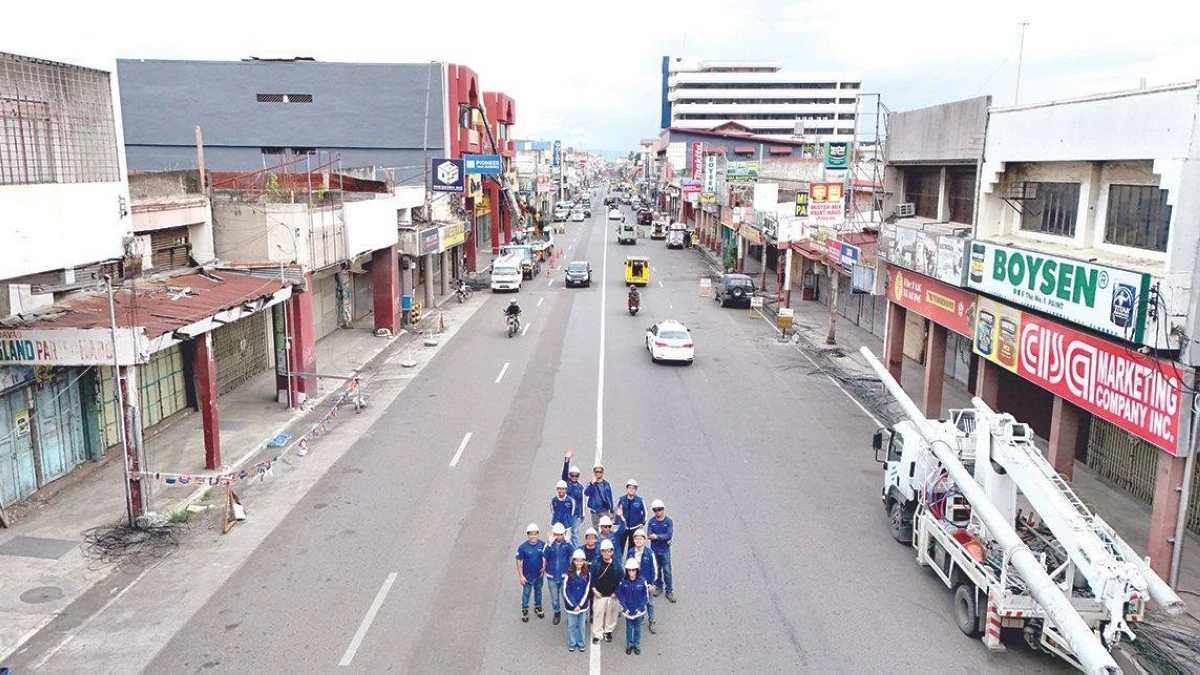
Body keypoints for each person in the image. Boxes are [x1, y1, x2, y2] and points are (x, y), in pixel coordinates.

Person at [626, 528, 659, 634]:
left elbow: (654, 569)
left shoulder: (649, 553)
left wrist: (652, 583)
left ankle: (652, 621)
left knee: (649, 602)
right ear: (633, 540)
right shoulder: (631, 552)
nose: (638, 541)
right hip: (635, 582)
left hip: (647, 583)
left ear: (644, 540)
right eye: (636, 539)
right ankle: (640, 617)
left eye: (641, 539)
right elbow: (627, 566)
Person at [515, 523, 547, 622]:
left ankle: (538, 607)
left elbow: (546, 557)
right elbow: (518, 561)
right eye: (531, 534)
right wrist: (521, 576)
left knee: (538, 591)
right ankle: (524, 609)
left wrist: (544, 568)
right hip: (527, 576)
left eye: (535, 534)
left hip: (539, 575)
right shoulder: (522, 547)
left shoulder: (543, 545)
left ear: (538, 534)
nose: (533, 536)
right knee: (526, 593)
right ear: (527, 535)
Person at [590, 539, 621, 645]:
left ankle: (608, 631)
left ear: (612, 551)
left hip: (612, 595)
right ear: (601, 552)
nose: (606, 553)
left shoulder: (617, 564)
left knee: (612, 614)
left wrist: (616, 592)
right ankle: (597, 634)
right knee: (598, 615)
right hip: (599, 594)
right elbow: (591, 578)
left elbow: (621, 580)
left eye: (609, 550)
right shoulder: (596, 563)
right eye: (604, 551)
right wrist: (594, 590)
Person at [617, 557, 649, 655]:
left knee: (637, 628)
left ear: (636, 570)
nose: (631, 572)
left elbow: (645, 596)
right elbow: (620, 595)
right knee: (629, 628)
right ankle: (629, 645)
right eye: (629, 570)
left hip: (638, 611)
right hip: (628, 611)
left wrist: (640, 608)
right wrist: (624, 607)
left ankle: (637, 645)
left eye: (633, 570)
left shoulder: (642, 581)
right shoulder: (623, 581)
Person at [646, 499, 676, 603]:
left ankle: (669, 591)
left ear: (663, 509)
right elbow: (649, 535)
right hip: (654, 549)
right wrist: (658, 537)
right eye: (655, 510)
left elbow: (669, 535)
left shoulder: (668, 522)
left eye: (659, 509)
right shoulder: (651, 522)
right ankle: (659, 586)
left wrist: (657, 537)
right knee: (657, 569)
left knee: (667, 571)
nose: (657, 512)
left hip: (664, 550)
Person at [544, 523, 573, 625]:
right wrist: (549, 544)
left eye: (561, 534)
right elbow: (545, 555)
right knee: (554, 599)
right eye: (557, 534)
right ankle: (557, 613)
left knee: (566, 597)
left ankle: (569, 615)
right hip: (552, 576)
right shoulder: (549, 545)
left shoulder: (566, 544)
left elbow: (572, 553)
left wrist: (568, 541)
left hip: (564, 576)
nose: (559, 537)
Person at [562, 549, 592, 653]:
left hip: (582, 606)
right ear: (573, 561)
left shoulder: (588, 574)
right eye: (577, 560)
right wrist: (574, 605)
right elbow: (566, 590)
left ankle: (581, 643)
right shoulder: (568, 574)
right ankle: (572, 643)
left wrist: (580, 604)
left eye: (581, 560)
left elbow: (587, 590)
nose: (579, 563)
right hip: (571, 606)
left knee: (582, 626)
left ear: (584, 561)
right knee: (571, 625)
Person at [616, 479, 646, 554]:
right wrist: (617, 523)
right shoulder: (621, 499)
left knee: (632, 548)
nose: (631, 489)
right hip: (623, 527)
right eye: (629, 487)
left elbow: (645, 513)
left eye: (633, 488)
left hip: (635, 528)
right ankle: (619, 560)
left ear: (635, 489)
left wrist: (642, 523)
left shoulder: (640, 500)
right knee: (620, 547)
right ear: (627, 489)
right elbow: (616, 511)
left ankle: (630, 560)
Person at [561, 450, 585, 543]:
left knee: (575, 533)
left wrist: (582, 514)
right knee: (565, 532)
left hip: (576, 514)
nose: (574, 477)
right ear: (570, 475)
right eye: (572, 475)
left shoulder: (580, 487)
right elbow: (564, 474)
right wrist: (567, 460)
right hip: (566, 512)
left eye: (576, 475)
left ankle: (573, 550)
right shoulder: (566, 483)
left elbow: (582, 501)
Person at [585, 463, 615, 529]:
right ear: (594, 473)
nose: (598, 473)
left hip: (604, 510)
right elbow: (586, 493)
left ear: (603, 472)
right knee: (596, 529)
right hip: (594, 511)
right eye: (596, 472)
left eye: (600, 472)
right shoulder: (591, 484)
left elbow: (610, 497)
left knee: (606, 528)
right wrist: (592, 483)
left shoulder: (606, 484)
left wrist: (612, 511)